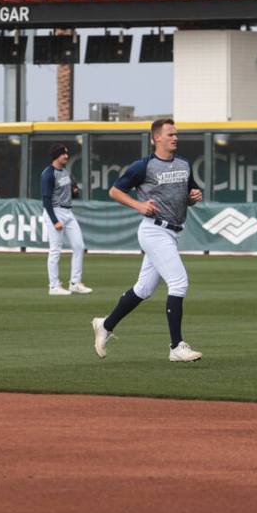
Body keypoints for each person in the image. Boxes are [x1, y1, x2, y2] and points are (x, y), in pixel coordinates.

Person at [90, 118, 202, 363]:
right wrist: (138, 205)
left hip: (173, 232)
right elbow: (115, 191)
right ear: (156, 138)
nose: (175, 138)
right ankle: (176, 346)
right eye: (170, 134)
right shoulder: (144, 166)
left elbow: (189, 195)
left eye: (176, 134)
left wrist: (194, 196)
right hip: (153, 231)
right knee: (179, 282)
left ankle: (105, 325)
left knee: (144, 289)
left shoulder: (184, 164)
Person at [41, 143, 91, 295]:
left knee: (79, 246)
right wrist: (54, 220)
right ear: (57, 155)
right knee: (55, 250)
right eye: (64, 154)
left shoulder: (65, 172)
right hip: (55, 211)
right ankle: (54, 286)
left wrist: (75, 191)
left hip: (68, 212)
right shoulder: (48, 173)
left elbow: (72, 193)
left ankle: (75, 283)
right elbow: (46, 199)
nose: (66, 156)